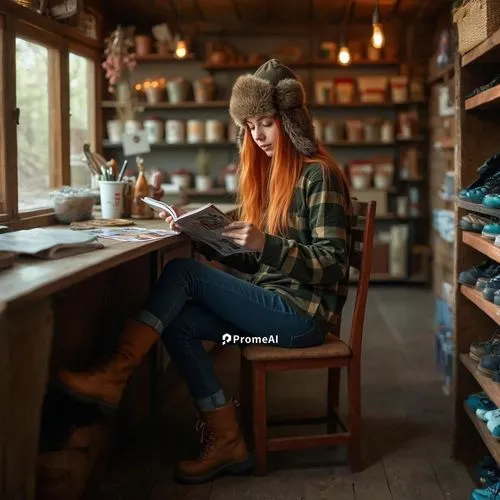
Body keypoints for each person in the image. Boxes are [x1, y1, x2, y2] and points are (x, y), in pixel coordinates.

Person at [57, 59, 352, 485]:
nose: (258, 136)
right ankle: (227, 441)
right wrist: (210, 240)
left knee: (182, 273)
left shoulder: (317, 175)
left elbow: (331, 265)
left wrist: (263, 243)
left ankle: (115, 373)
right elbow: (260, 261)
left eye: (266, 122)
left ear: (290, 121)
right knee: (180, 325)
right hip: (268, 318)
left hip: (299, 321)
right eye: (250, 126)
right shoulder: (275, 178)